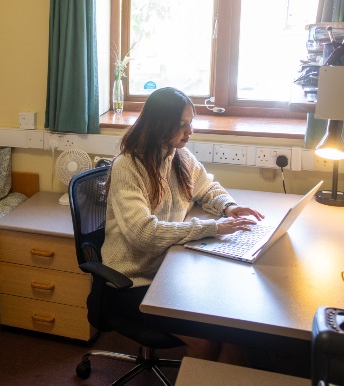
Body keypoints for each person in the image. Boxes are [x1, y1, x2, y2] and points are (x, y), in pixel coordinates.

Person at [101, 87, 264, 365]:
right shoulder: (128, 167)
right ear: (159, 125)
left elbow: (207, 187)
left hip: (170, 269)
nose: (189, 132)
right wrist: (212, 227)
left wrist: (229, 207)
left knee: (232, 326)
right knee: (205, 340)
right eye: (181, 125)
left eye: (191, 123)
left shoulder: (178, 155)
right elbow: (144, 233)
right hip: (133, 280)